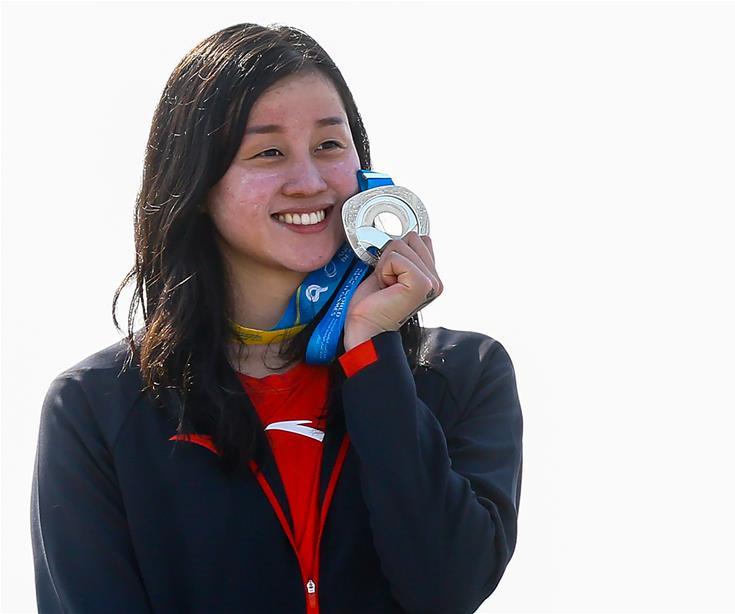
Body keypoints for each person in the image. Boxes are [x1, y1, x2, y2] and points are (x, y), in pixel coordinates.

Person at [30, 22, 523, 614]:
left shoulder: (461, 373)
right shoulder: (97, 406)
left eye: (329, 146)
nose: (310, 182)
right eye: (268, 152)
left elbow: (445, 589)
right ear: (195, 182)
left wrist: (371, 350)